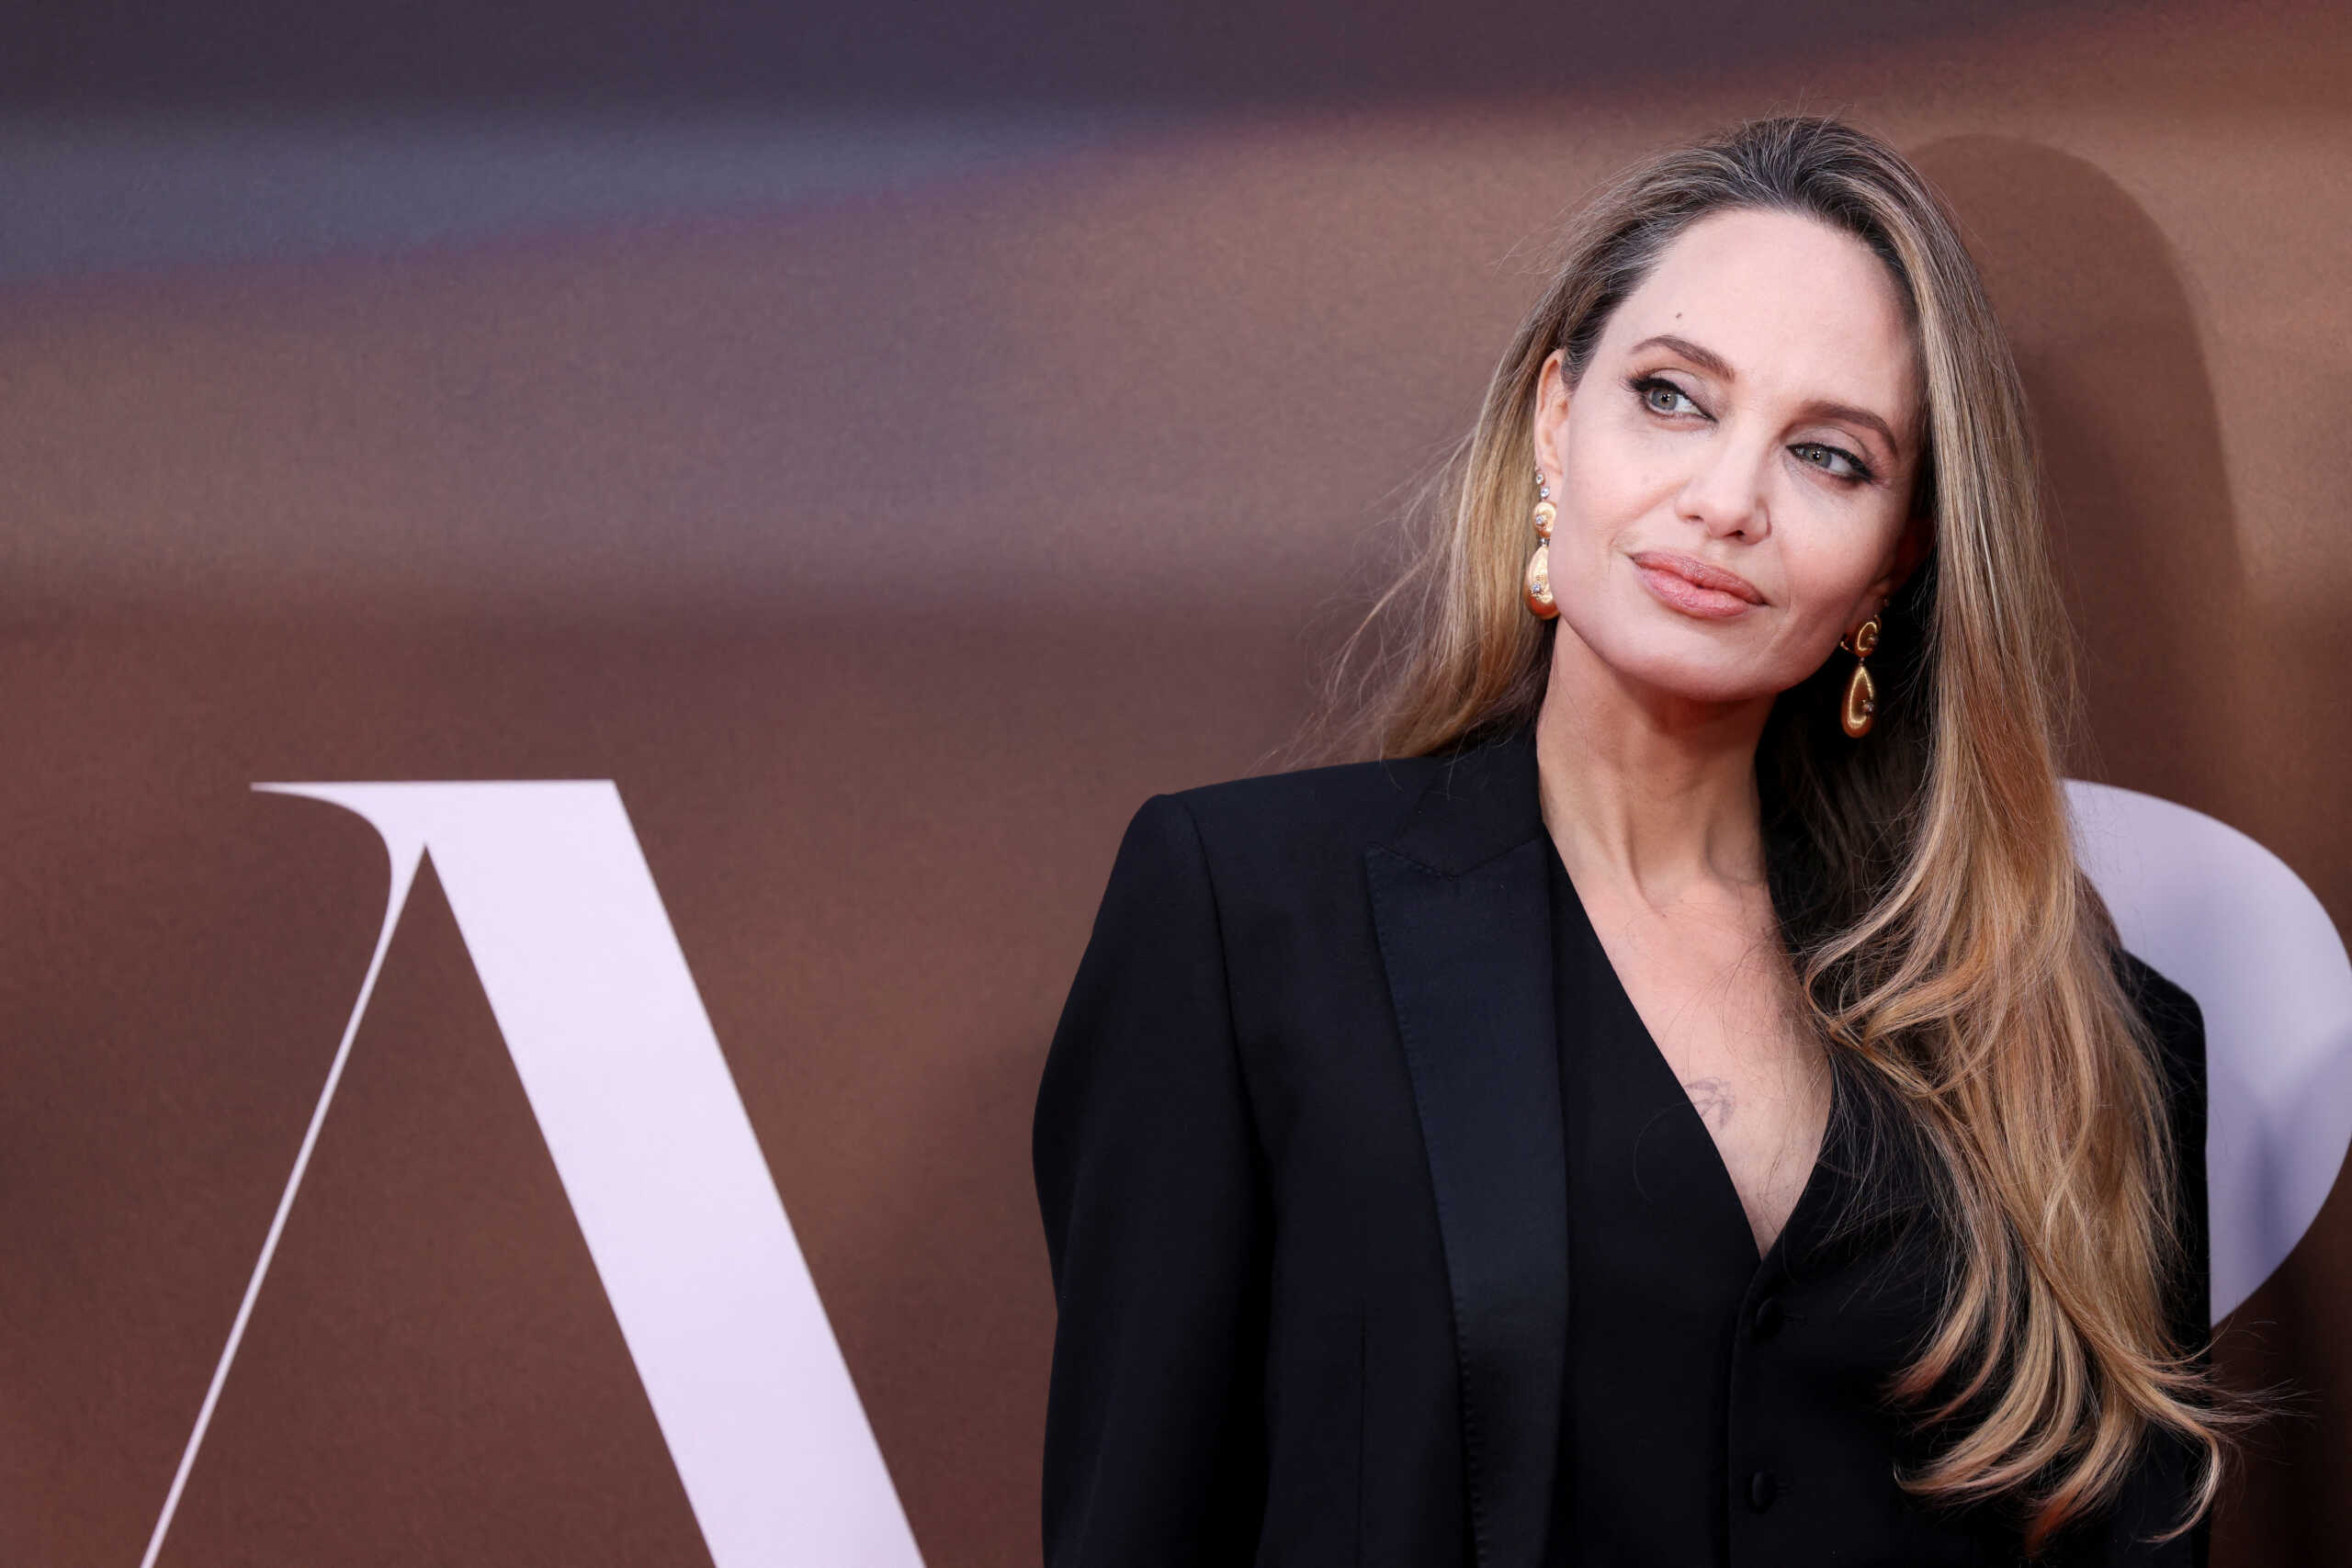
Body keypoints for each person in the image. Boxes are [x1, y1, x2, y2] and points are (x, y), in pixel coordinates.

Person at [1031, 116, 2249, 1568]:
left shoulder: (2085, 1046)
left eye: (1829, 456)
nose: (1726, 500)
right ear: (1558, 421)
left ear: (1899, 555)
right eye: (1673, 398)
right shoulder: (1245, 927)